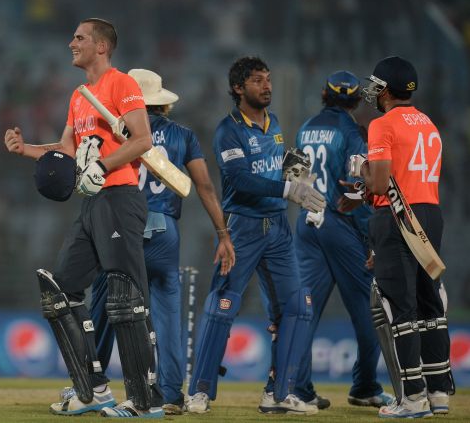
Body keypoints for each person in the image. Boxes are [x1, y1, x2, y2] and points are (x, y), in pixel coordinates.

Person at [4, 18, 165, 419]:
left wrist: (104, 166)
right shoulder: (80, 96)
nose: (71, 42)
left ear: (102, 46)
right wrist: (25, 149)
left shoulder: (121, 83)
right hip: (92, 204)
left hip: (120, 197)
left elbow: (143, 140)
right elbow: (64, 149)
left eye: (79, 37)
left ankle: (146, 401)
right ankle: (92, 390)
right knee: (60, 290)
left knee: (126, 298)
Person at [86, 68, 236, 416]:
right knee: (168, 313)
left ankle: (92, 384)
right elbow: (204, 187)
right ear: (163, 105)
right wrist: (223, 234)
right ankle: (170, 393)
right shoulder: (183, 135)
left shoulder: (115, 130)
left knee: (107, 307)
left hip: (123, 227)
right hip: (166, 231)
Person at [185, 56, 326, 415]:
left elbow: (277, 168)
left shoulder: (275, 123)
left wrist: (298, 177)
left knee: (297, 307)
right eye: (258, 81)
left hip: (277, 229)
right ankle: (199, 391)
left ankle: (278, 394)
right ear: (238, 88)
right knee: (223, 306)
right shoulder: (227, 130)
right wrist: (285, 189)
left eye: (269, 79)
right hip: (243, 227)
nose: (267, 86)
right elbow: (240, 180)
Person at [348, 56, 454, 418]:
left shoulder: (383, 123)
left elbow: (378, 184)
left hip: (397, 216)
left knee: (400, 307)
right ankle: (439, 393)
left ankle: (412, 398)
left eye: (377, 85)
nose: (373, 91)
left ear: (387, 89)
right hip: (430, 213)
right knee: (430, 306)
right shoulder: (429, 123)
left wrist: (360, 167)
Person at [290, 70, 393, 409]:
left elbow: (295, 180)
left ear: (325, 93)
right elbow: (357, 189)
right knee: (369, 310)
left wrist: (310, 209)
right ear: (355, 99)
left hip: (307, 222)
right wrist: (370, 240)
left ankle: (297, 389)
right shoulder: (351, 133)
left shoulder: (306, 128)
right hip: (340, 224)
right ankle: (364, 386)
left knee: (304, 310)